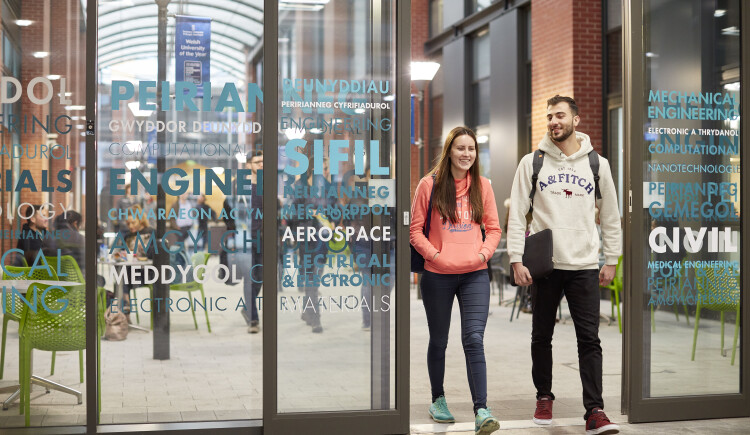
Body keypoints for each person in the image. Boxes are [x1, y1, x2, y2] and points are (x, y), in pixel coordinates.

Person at [507, 95, 621, 434]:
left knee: (589, 339)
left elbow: (612, 216)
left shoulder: (597, 164)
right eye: (549, 117)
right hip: (546, 265)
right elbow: (517, 215)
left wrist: (611, 258)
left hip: (584, 264)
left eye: (560, 115)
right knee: (541, 335)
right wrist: (516, 258)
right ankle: (544, 396)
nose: (554, 121)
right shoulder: (532, 162)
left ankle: (595, 411)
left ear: (576, 119)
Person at [410, 126, 502, 435]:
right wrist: (435, 256)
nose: (466, 154)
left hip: (475, 274)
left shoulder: (483, 185)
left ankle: (482, 410)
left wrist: (483, 255)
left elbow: (494, 229)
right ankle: (438, 399)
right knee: (439, 340)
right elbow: (414, 231)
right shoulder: (430, 185)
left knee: (473, 339)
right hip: (438, 277)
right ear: (449, 150)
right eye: (460, 148)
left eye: (471, 149)